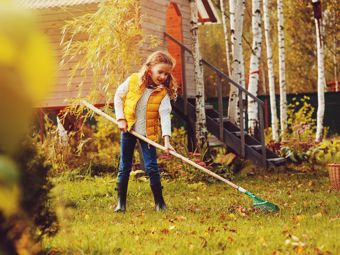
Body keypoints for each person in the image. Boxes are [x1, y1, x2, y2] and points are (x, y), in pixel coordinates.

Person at [113, 51, 177, 212]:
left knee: (152, 167)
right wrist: (120, 118)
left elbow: (165, 116)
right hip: (128, 129)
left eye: (166, 74)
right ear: (150, 69)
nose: (163, 76)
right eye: (160, 72)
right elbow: (118, 97)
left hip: (148, 134)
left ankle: (160, 203)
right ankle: (121, 204)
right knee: (124, 166)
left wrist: (167, 141)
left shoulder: (162, 93)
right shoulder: (134, 80)